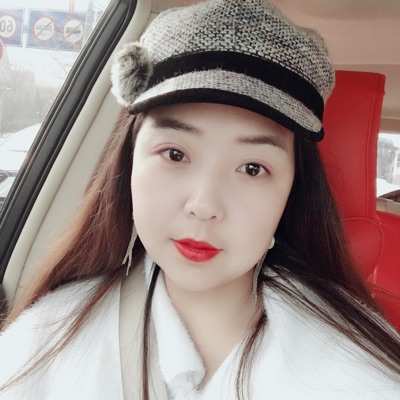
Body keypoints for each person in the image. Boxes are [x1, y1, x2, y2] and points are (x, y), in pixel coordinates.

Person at [1, 0, 400, 399]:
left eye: (252, 168)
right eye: (175, 154)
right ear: (130, 161)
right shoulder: (43, 344)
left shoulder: (361, 369)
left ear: (291, 192)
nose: (204, 205)